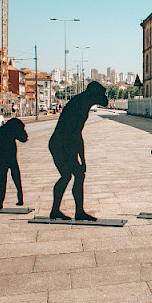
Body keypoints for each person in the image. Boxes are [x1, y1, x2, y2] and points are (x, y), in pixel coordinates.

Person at [48, 81, 109, 221]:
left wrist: (82, 159)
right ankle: (71, 211)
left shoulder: (83, 102)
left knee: (72, 175)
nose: (105, 98)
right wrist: (82, 159)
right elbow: (75, 134)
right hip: (60, 144)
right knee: (70, 175)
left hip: (64, 143)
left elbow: (76, 134)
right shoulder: (80, 104)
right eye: (103, 94)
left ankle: (62, 210)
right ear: (95, 94)